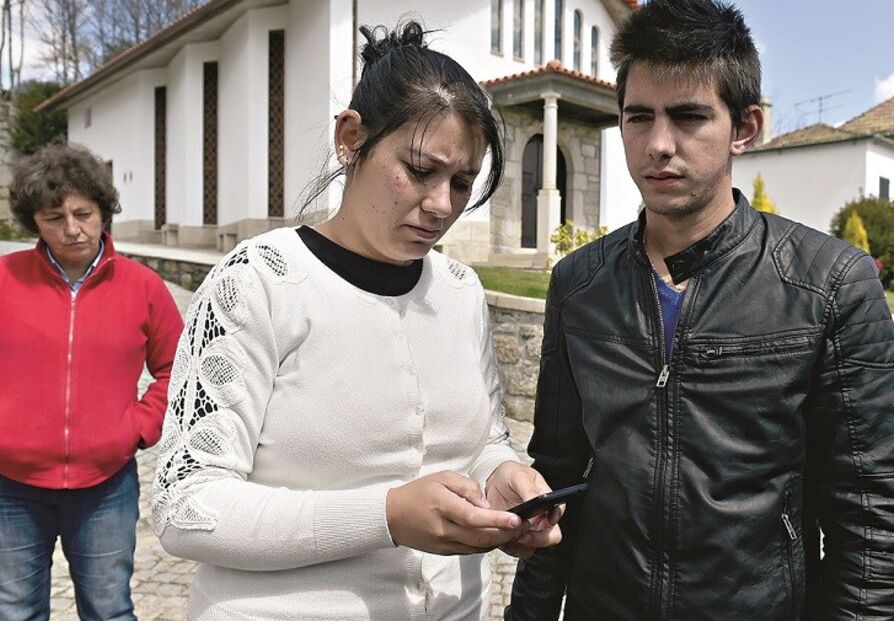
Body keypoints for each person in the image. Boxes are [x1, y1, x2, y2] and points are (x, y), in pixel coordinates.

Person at [508, 0, 894, 619]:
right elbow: (555, 479)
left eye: (690, 116)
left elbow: (871, 509)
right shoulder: (579, 283)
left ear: (745, 127)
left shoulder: (830, 284)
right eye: (638, 117)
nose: (658, 144)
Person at [153, 21, 562, 620]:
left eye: (462, 183)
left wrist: (503, 476)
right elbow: (185, 507)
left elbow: (479, 440)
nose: (442, 205)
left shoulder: (461, 291)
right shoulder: (260, 281)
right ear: (351, 138)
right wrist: (386, 516)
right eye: (420, 170)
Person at [0, 143, 184, 620]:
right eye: (53, 218)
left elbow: (179, 370)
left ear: (104, 210)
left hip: (106, 487)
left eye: (84, 213)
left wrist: (139, 426)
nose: (72, 229)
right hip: (11, 486)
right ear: (32, 222)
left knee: (108, 610)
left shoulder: (143, 286)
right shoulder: (4, 279)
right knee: (14, 611)